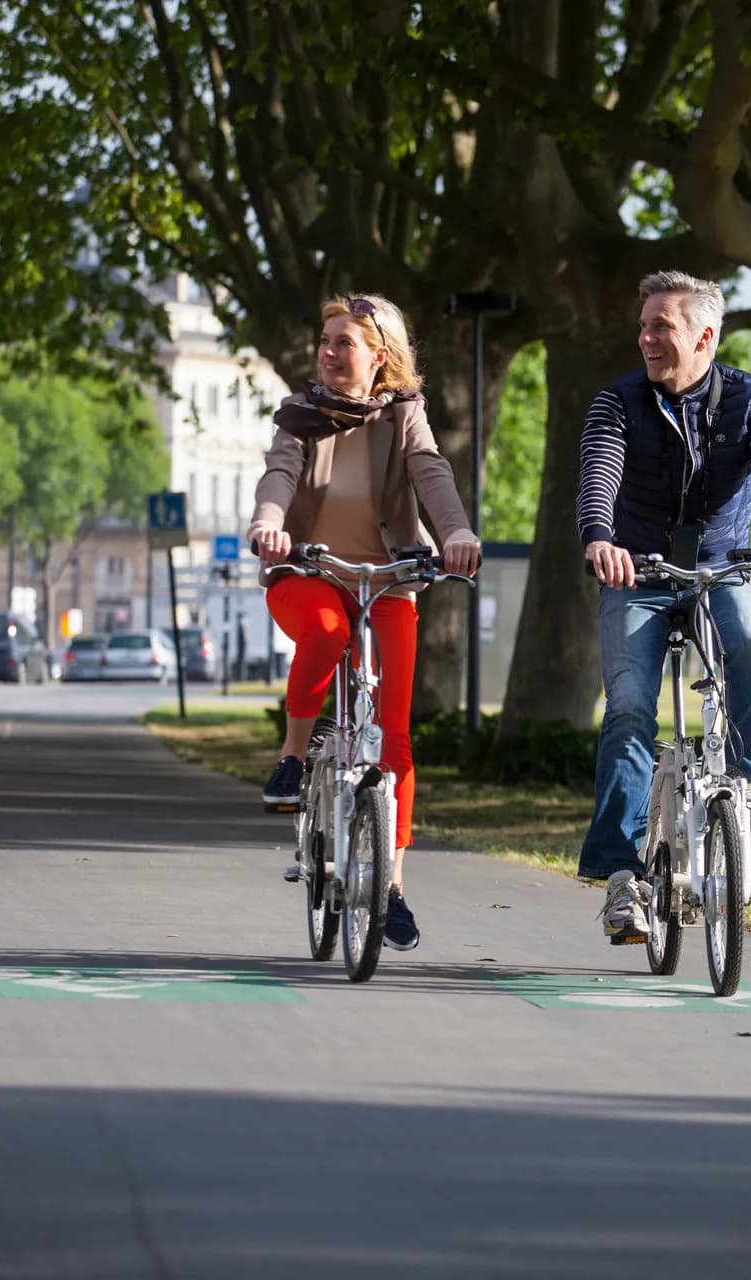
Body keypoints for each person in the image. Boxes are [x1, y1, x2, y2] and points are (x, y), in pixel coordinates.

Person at [576, 270, 751, 941]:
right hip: (636, 572)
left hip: (718, 571)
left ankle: (748, 781)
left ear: (705, 336)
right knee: (627, 707)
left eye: (663, 326)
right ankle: (622, 877)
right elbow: (599, 473)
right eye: (644, 324)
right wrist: (600, 538)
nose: (647, 338)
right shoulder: (616, 403)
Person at [247, 294, 480, 951]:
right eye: (325, 340)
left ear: (380, 355)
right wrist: (269, 523)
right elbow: (281, 473)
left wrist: (455, 530)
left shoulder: (405, 412)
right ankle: (294, 759)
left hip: (387, 582)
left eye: (343, 342)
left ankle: (394, 886)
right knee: (327, 634)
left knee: (396, 736)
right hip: (310, 574)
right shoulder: (300, 415)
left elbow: (429, 471)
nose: (328, 352)